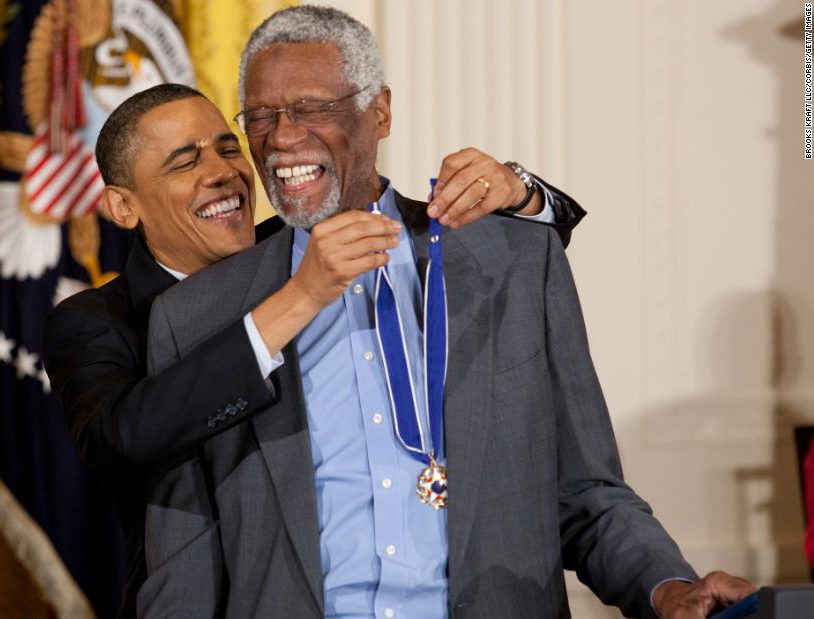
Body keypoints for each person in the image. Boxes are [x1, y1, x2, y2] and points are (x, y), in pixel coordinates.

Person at [141, 6, 754, 619]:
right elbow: (185, 565)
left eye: (311, 108)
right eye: (261, 117)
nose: (280, 137)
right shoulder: (203, 314)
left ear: (379, 110)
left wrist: (669, 588)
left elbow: (587, 493)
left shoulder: (511, 259)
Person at [42, 85, 585, 616]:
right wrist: (299, 298)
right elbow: (123, 438)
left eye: (228, 147)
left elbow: (465, 236)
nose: (222, 171)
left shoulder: (301, 241)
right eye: (185, 162)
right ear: (122, 205)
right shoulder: (96, 322)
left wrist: (520, 190)